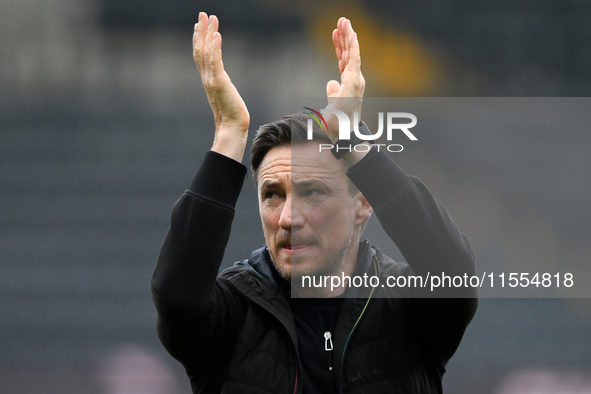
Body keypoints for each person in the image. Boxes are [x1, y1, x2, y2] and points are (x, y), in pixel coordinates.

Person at [151, 12, 478, 394]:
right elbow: (176, 298)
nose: (288, 218)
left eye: (313, 193)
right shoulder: (234, 310)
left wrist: (355, 147)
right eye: (273, 195)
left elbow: (453, 269)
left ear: (363, 205)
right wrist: (228, 133)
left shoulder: (405, 304)